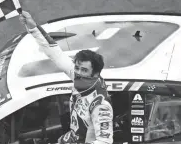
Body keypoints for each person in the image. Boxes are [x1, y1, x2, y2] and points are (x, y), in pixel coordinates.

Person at [19, 11, 113, 144]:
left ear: (96, 74)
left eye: (84, 70)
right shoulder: (81, 77)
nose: (78, 73)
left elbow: (105, 142)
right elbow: (55, 53)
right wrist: (33, 27)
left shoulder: (101, 105)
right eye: (77, 68)